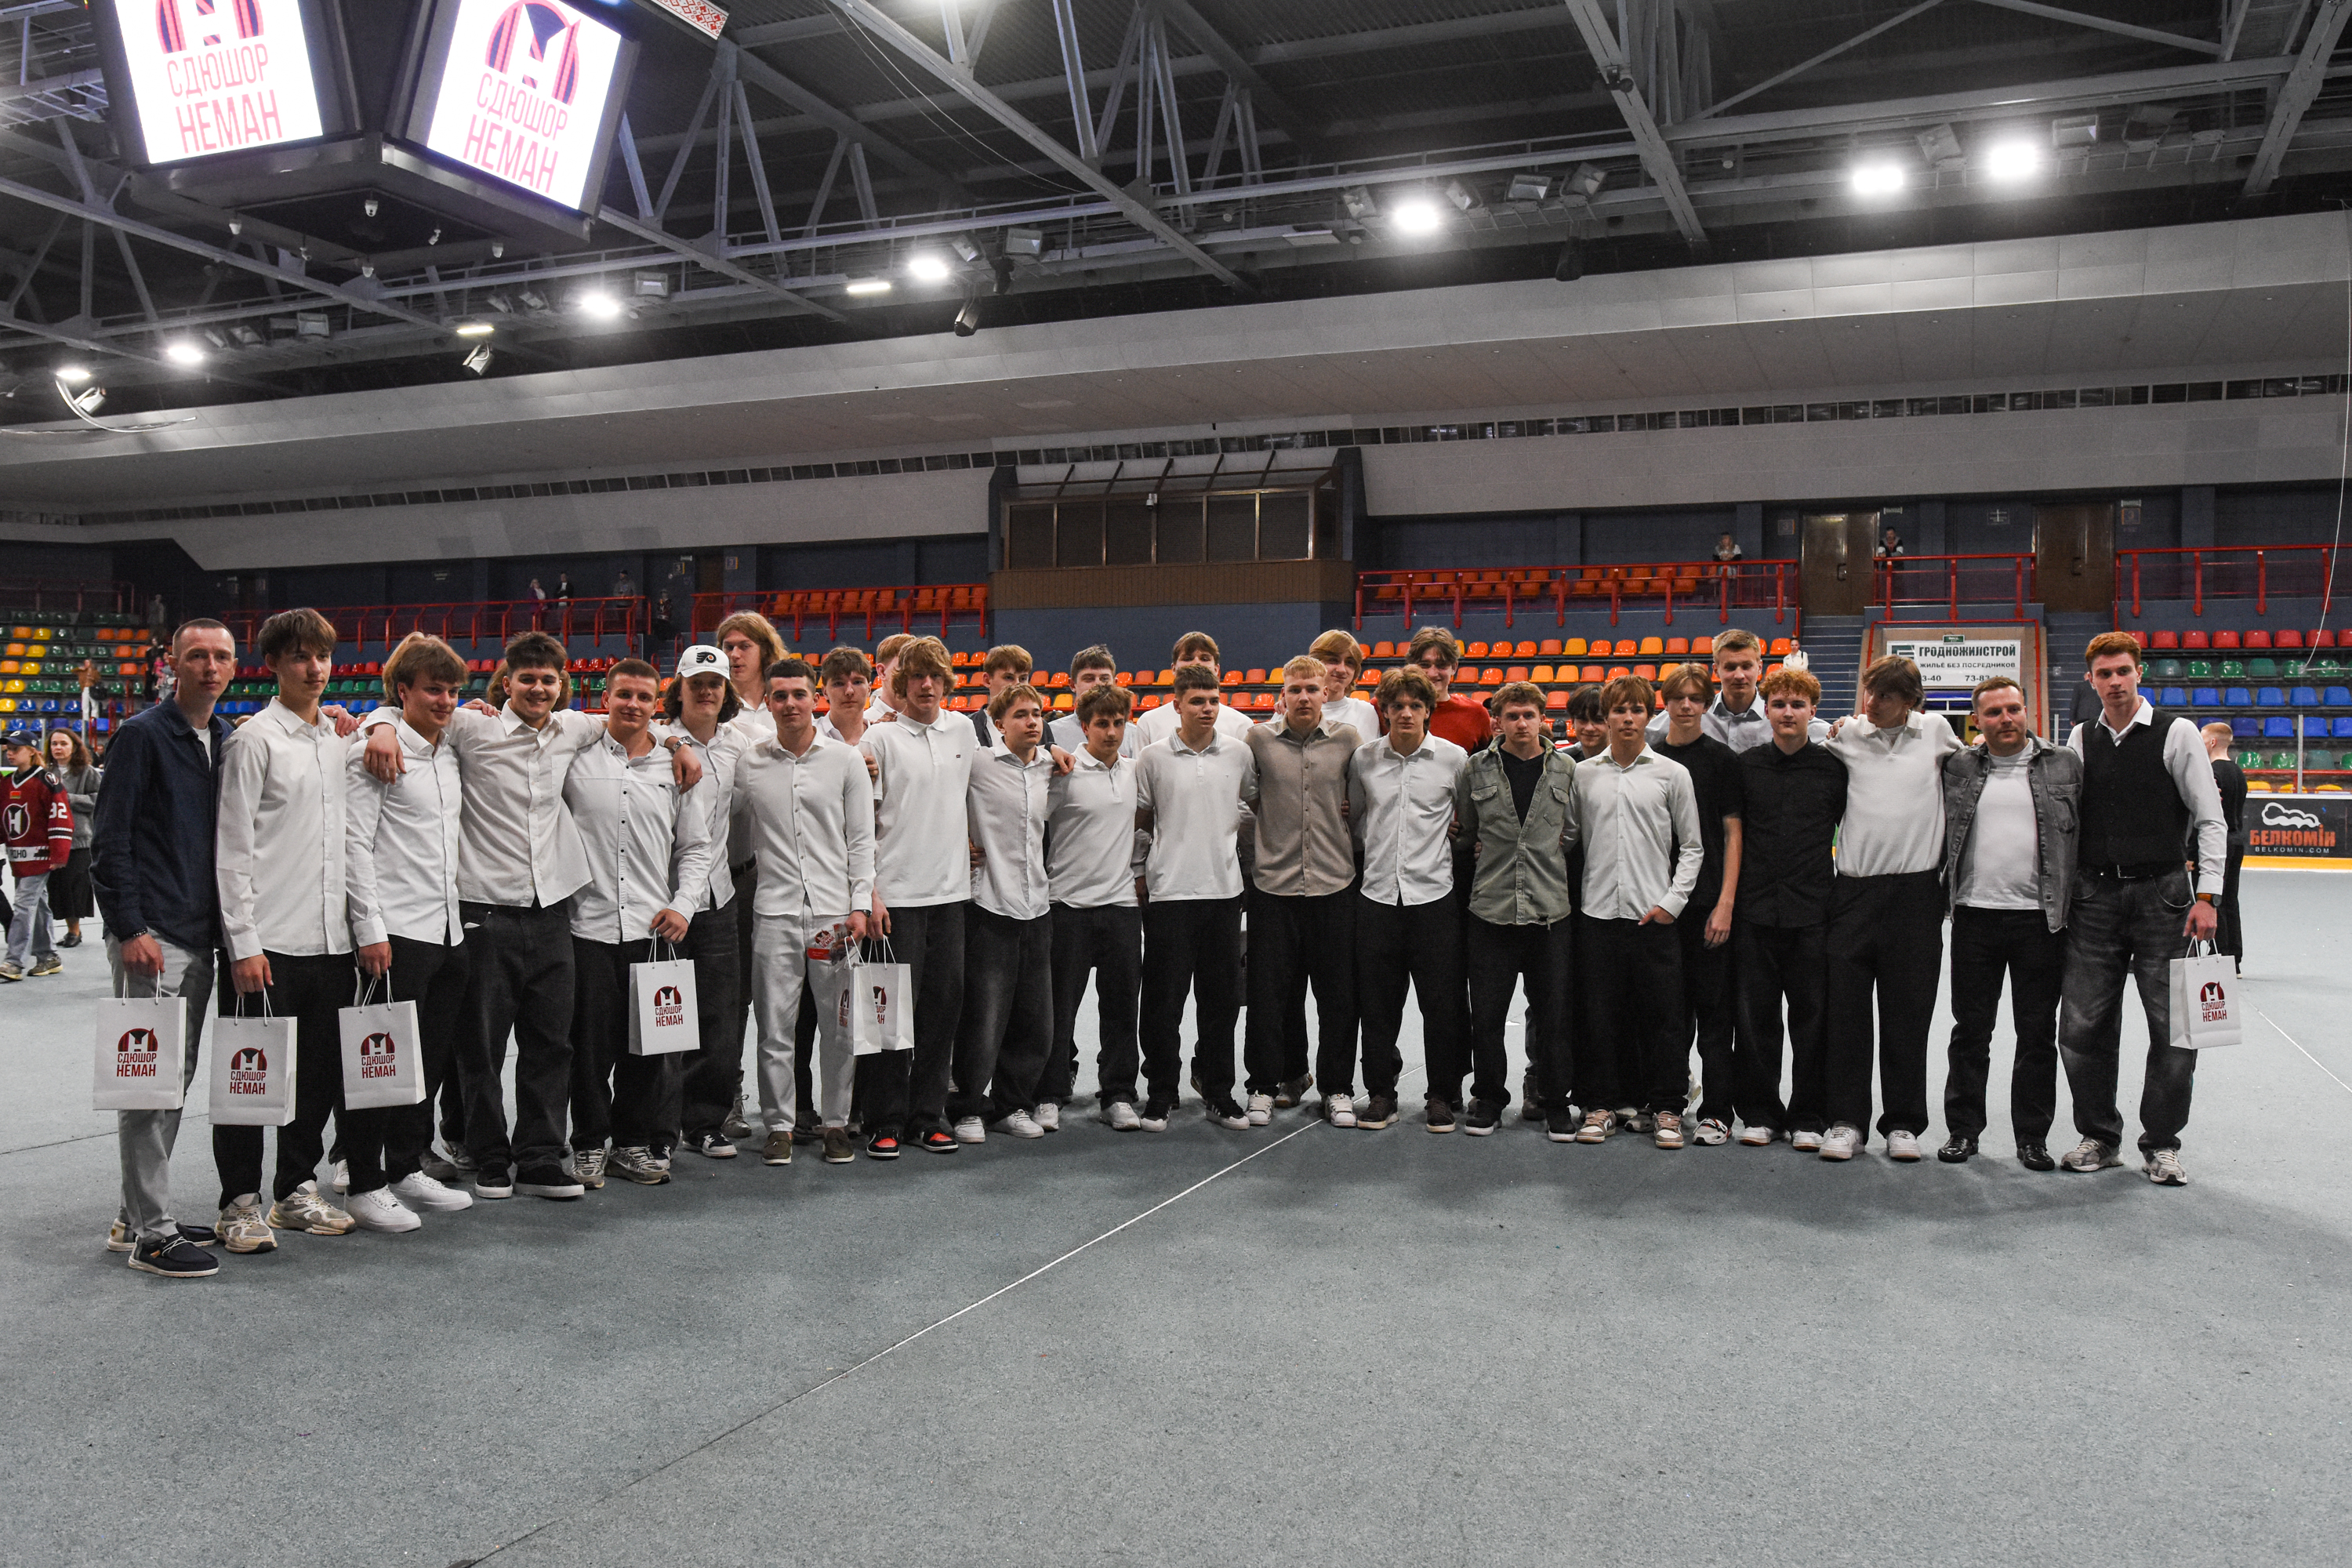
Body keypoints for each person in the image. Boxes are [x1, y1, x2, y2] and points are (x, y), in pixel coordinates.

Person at [360, 630, 698, 1202]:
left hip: (552, 913)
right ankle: (490, 1157)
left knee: (551, 1045)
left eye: (548, 680)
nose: (538, 689)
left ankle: (540, 1156)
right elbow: (407, 709)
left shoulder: (573, 728)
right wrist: (381, 726)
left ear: (561, 685)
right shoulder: (473, 727)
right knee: (482, 1047)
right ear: (508, 682)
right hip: (484, 911)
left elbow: (634, 719)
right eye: (527, 679)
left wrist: (678, 741)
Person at [93, 617, 237, 1276]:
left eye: (221, 656)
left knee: (173, 1081)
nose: (210, 666)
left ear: (234, 666)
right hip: (154, 937)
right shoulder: (142, 735)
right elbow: (110, 840)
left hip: (201, 933)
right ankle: (153, 1235)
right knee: (148, 1087)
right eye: (197, 656)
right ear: (172, 665)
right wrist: (130, 928)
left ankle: (135, 1215)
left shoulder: (227, 738)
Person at [2056, 631, 2226, 1186]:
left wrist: (2209, 896)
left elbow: (2210, 819)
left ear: (2139, 673)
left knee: (2175, 1030)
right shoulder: (2080, 737)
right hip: (2094, 899)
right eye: (2104, 674)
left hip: (2166, 898)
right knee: (2081, 1028)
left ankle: (2162, 1144)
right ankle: (2100, 1137)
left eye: (2123, 671)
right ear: (2091, 680)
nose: (2115, 682)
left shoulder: (2177, 734)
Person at [214, 608, 358, 1242]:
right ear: (272, 664)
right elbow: (231, 849)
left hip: (331, 941)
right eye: (300, 656)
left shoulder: (340, 740)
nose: (314, 668)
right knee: (250, 1078)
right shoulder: (253, 741)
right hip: (265, 944)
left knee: (318, 1077)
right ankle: (238, 1201)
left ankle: (295, 1189)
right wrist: (242, 943)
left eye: (322, 656)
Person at [341, 633, 477, 1230]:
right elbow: (355, 845)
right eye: (433, 690)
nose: (445, 701)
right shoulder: (374, 753)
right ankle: (361, 1180)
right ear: (404, 692)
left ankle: (404, 1166)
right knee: (379, 1064)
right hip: (394, 932)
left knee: (428, 1062)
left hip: (447, 930)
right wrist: (369, 928)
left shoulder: (450, 752)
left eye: (452, 691)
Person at [563, 659, 713, 1189]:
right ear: (606, 698)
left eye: (644, 697)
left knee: (648, 1049)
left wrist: (684, 904)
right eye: (624, 694)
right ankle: (588, 1144)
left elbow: (696, 848)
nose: (633, 704)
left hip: (654, 931)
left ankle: (631, 1144)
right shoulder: (575, 757)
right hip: (587, 926)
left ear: (657, 704)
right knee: (588, 1051)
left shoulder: (678, 768)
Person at [1819, 655, 1962, 1163]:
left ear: (1910, 702)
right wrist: (1834, 724)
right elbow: (1803, 735)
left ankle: (1903, 1123)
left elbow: (1976, 767)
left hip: (1916, 897)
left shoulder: (1937, 731)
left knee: (1908, 1016)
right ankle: (1845, 1121)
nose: (1871, 703)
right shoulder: (1847, 734)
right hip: (1853, 894)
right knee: (1846, 1015)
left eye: (1885, 696)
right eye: (1869, 692)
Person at [1938, 676, 2082, 1169]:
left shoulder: (2065, 764)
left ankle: (2032, 1138)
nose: (2006, 719)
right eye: (1994, 712)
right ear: (1976, 720)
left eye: (2013, 709)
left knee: (2036, 1034)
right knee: (1970, 1031)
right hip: (1974, 917)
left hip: (2041, 922)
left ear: (2027, 710)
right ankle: (1963, 1131)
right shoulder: (1957, 765)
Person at [735, 658, 872, 1166]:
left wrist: (860, 906)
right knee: (775, 1028)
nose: (790, 704)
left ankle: (836, 1122)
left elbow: (862, 841)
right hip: (775, 915)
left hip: (834, 919)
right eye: (780, 696)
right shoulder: (750, 763)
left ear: (814, 698)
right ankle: (779, 1126)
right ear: (768, 702)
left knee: (839, 1027)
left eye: (798, 694)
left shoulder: (845, 761)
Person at [1570, 677, 1703, 1148]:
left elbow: (1692, 847)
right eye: (1619, 710)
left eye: (1637, 710)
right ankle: (1601, 1105)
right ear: (1606, 717)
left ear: (1650, 716)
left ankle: (1668, 1108)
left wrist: (1672, 903)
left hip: (1654, 917)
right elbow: (1568, 838)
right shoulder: (1582, 775)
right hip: (1597, 915)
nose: (1628, 718)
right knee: (1599, 1016)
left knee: (1664, 1017)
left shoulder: (1672, 774)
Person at [860, 637, 977, 1156]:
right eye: (916, 677)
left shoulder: (963, 730)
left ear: (946, 682)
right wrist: (870, 893)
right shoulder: (879, 739)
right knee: (887, 1017)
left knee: (941, 1012)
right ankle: (883, 1119)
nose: (926, 685)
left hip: (950, 898)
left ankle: (928, 1116)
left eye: (935, 676)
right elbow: (861, 824)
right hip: (894, 901)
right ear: (900, 683)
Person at [1134, 662, 1259, 1131]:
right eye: (1197, 701)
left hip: (1224, 893)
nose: (1207, 708)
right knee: (1163, 1003)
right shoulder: (1152, 758)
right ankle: (1161, 1093)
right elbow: (1140, 821)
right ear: (1177, 705)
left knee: (1221, 1003)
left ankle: (1220, 1092)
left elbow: (1253, 807)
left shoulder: (1239, 754)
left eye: (1213, 700)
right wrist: (1139, 873)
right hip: (1169, 894)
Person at [1454, 681, 1578, 1139]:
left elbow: (1572, 832)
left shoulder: (1566, 768)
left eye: (1529, 715)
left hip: (1550, 913)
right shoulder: (1476, 768)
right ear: (1498, 721)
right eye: (1512, 716)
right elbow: (1466, 832)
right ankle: (1488, 1098)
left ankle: (1555, 1101)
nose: (1521, 723)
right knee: (1486, 1016)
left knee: (1553, 1016)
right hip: (1491, 910)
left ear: (1543, 718)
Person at [1240, 656, 1361, 1125]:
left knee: (1337, 997)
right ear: (1283, 696)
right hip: (1274, 886)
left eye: (1312, 688)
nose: (1304, 697)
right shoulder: (1258, 740)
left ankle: (1337, 1088)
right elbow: (1249, 798)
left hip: (1334, 884)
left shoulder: (1349, 740)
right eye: (1296, 689)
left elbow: (1359, 802)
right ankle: (1263, 1085)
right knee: (1269, 996)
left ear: (1326, 692)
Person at [1348, 666, 1467, 1132]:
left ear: (1428, 711)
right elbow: (1356, 819)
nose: (1406, 713)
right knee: (1377, 1006)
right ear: (1384, 711)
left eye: (1416, 705)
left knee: (1441, 1006)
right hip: (1377, 896)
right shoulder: (1363, 759)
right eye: (1397, 705)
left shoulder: (1454, 759)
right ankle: (1381, 1093)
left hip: (1434, 898)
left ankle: (1441, 1094)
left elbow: (1466, 822)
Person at [1730, 667, 1846, 1150]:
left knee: (1812, 1019)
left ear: (1812, 711)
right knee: (1755, 1020)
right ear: (1767, 710)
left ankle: (1809, 1116)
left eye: (1798, 705)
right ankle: (1760, 1113)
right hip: (1755, 912)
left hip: (1813, 911)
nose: (1788, 713)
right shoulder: (1746, 766)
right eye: (1779, 704)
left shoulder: (1834, 769)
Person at [660, 645, 753, 1161]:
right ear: (679, 688)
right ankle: (657, 1123)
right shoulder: (655, 736)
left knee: (719, 1015)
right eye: (696, 682)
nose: (706, 691)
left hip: (717, 897)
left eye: (715, 682)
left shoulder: (739, 743)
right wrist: (674, 740)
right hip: (661, 901)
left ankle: (704, 1122)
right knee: (661, 1015)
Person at [954, 683, 1058, 1142]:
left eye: (1037, 713)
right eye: (1020, 714)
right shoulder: (977, 763)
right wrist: (958, 841)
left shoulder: (1051, 766)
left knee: (1034, 1020)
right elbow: (936, 796)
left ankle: (1012, 1105)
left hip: (1037, 907)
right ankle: (967, 1107)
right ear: (998, 724)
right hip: (989, 907)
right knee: (983, 1018)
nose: (1032, 721)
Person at [1651, 664, 1744, 1147]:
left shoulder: (1723, 760)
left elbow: (1732, 834)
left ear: (1707, 704)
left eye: (1695, 698)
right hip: (1662, 904)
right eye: (1677, 697)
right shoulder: (1651, 758)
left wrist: (1725, 903)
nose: (1686, 705)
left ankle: (1717, 1111)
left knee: (1714, 1015)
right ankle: (1668, 1103)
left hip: (1709, 903)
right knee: (1668, 1013)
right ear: (1665, 702)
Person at [1046, 684, 1145, 1127]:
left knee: (1122, 1009)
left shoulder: (1136, 772)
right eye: (1102, 724)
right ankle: (1049, 1093)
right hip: (1066, 906)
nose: (1111, 732)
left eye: (1118, 723)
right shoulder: (1061, 772)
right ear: (1084, 726)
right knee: (1059, 1010)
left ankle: (1118, 1094)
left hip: (1121, 906)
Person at [1645, 627, 1824, 752]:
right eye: (1730, 667)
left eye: (1746, 666)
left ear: (1760, 667)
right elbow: (1644, 736)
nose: (1739, 675)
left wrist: (1839, 729)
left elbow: (1827, 734)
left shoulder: (1779, 714)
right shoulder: (1695, 711)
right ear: (1716, 670)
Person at [2, 728, 71, 981]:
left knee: (23, 904)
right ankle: (48, 956)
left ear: (32, 751)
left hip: (41, 857)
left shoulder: (47, 781)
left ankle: (14, 961)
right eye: (8, 749)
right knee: (38, 905)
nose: (10, 753)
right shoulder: (6, 783)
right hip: (18, 857)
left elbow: (61, 817)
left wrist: (59, 853)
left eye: (16, 749)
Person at [1131, 632, 1256, 750]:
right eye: (1187, 659)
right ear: (1173, 669)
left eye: (1205, 659)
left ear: (1216, 669)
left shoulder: (1241, 724)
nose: (1197, 663)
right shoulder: (1149, 722)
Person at [45, 727, 100, 949]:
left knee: (74, 887)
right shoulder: (45, 772)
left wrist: (68, 799)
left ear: (74, 747)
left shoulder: (88, 772)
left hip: (79, 840)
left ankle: (74, 931)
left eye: (63, 743)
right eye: (54, 744)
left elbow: (99, 799)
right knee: (56, 888)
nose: (58, 748)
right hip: (51, 839)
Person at [1406, 626, 1495, 752]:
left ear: (1454, 667)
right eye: (1424, 665)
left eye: (1441, 665)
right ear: (1411, 666)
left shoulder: (1476, 714)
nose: (1432, 673)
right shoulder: (1389, 710)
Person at [2202, 721, 2247, 970]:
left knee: (2214, 899)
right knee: (2230, 900)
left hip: (2219, 842)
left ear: (2212, 742)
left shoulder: (2212, 772)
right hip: (2236, 839)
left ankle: (2219, 955)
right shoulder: (2238, 771)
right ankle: (2234, 959)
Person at [1047, 644, 1123, 755]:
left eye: (1104, 679)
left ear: (1115, 683)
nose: (1098, 684)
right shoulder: (1050, 733)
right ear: (1072, 685)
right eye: (1089, 679)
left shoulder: (1133, 735)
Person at [1309, 630, 1381, 741]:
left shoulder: (1367, 712)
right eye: (1333, 661)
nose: (1342, 670)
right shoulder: (1294, 711)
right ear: (1315, 663)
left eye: (1349, 663)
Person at [967, 644, 1033, 749]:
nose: (1017, 685)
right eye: (1008, 677)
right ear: (987, 680)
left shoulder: (1039, 727)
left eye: (1023, 679)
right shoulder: (968, 727)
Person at [868, 632, 916, 726]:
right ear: (882, 672)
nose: (912, 676)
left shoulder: (932, 721)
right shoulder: (863, 726)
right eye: (903, 668)